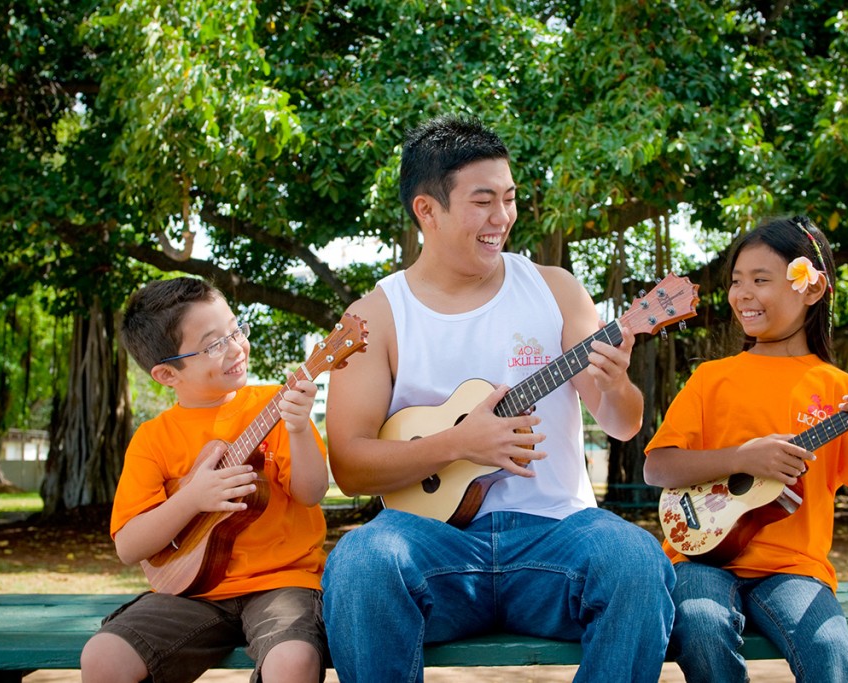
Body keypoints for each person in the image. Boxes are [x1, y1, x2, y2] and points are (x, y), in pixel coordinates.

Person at [320, 114, 675, 682]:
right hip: (431, 546)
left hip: (556, 536)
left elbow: (624, 425)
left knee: (634, 559)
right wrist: (459, 443)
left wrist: (614, 385)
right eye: (483, 201)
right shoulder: (374, 316)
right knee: (361, 562)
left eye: (509, 199)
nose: (503, 218)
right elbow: (352, 464)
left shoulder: (555, 288)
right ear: (426, 211)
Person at [644, 215, 848, 683]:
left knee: (827, 645)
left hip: (794, 568)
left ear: (810, 289)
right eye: (736, 281)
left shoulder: (839, 391)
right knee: (702, 623)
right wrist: (742, 458)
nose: (742, 294)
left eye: (760, 280)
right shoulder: (712, 378)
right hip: (700, 556)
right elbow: (657, 467)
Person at [80, 277, 330, 683]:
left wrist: (299, 430)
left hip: (284, 583)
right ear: (166, 374)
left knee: (294, 662)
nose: (236, 348)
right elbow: (128, 546)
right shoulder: (153, 439)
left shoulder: (275, 405)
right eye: (214, 344)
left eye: (236, 329)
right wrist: (192, 498)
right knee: (103, 656)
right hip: (189, 592)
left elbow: (312, 492)